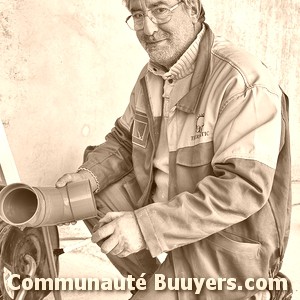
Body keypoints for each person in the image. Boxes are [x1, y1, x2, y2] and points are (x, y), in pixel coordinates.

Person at [56, 0, 292, 299]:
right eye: (138, 15)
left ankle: (254, 290)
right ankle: (158, 284)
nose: (148, 28)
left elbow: (242, 188)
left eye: (159, 10)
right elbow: (124, 140)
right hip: (172, 217)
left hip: (221, 240)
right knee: (89, 194)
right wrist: (87, 176)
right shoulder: (152, 75)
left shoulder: (241, 81)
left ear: (192, 8)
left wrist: (145, 227)